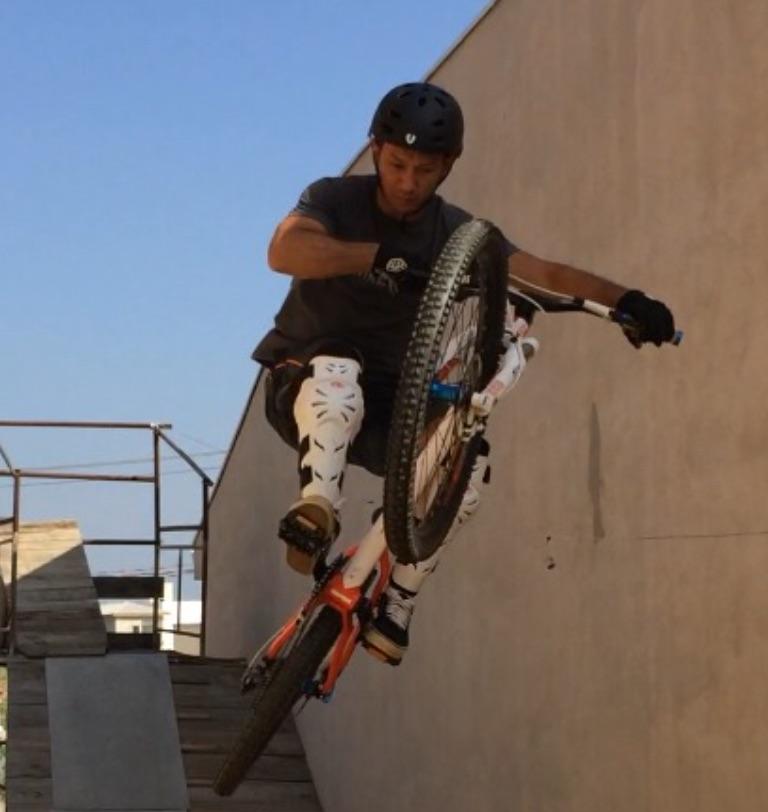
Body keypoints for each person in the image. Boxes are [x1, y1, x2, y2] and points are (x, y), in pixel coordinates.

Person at [252, 82, 676, 666]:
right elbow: (286, 250)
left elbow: (544, 272)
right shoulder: (335, 199)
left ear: (448, 165)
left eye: (424, 170)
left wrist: (627, 300)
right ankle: (316, 509)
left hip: (390, 409)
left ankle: (399, 600)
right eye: (397, 164)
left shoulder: (456, 232)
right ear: (375, 149)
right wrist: (373, 256)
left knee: (468, 459)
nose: (407, 182)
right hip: (304, 379)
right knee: (337, 368)